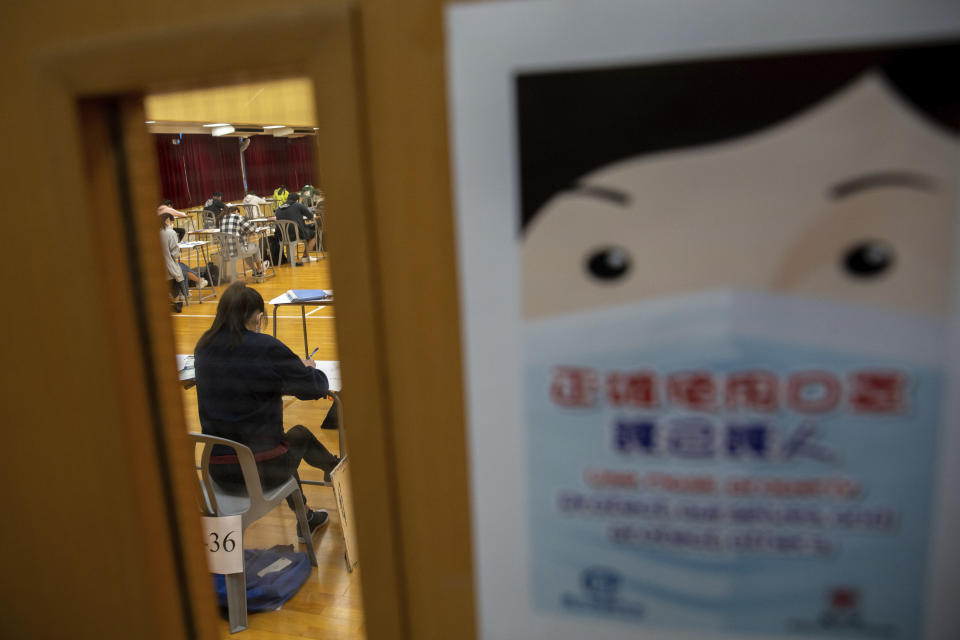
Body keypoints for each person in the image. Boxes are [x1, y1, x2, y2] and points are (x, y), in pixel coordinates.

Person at [194, 282, 340, 539]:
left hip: (216, 471)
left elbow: (240, 380)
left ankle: (305, 514)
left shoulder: (203, 348)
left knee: (277, 443)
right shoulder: (264, 347)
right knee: (296, 437)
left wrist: (278, 379)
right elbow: (314, 388)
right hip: (260, 473)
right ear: (259, 317)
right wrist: (304, 368)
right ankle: (335, 470)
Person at [161, 213, 206, 312]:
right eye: (172, 221)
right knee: (181, 268)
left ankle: (191, 287)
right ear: (168, 220)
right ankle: (196, 283)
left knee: (181, 267)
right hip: (169, 268)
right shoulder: (170, 233)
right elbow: (175, 254)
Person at [219, 205, 266, 278]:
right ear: (236, 211)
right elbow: (251, 229)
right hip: (238, 251)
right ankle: (260, 269)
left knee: (245, 248)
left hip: (225, 252)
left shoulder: (221, 219)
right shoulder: (238, 217)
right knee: (255, 247)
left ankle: (254, 270)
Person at [275, 192, 317, 265]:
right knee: (313, 235)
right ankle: (305, 256)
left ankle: (290, 259)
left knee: (305, 231)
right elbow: (310, 216)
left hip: (281, 235)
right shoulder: (298, 205)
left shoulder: (279, 207)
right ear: (297, 200)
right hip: (295, 234)